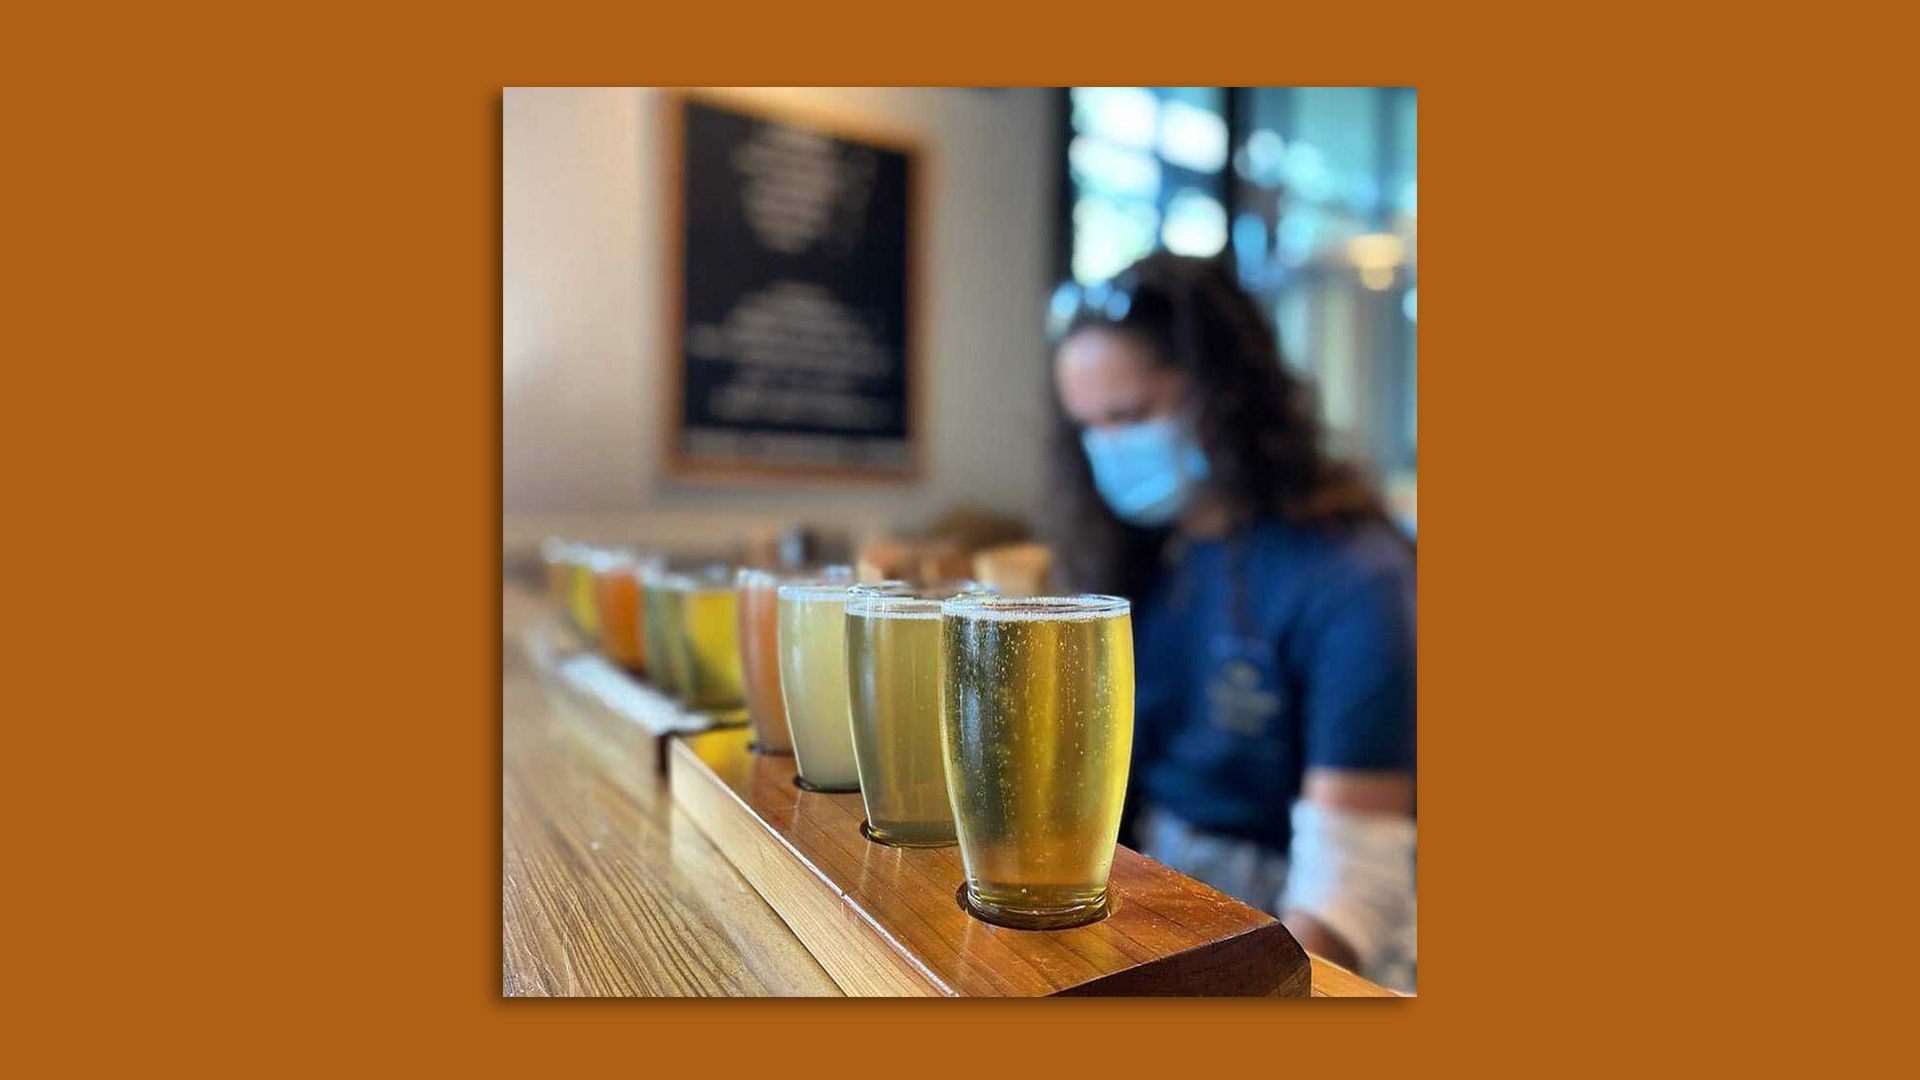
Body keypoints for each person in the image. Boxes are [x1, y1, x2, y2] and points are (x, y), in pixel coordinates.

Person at [1046, 252, 1417, 991]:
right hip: (1148, 898)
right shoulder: (1140, 559)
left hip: (1288, 930)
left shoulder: (1352, 577)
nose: (1110, 449)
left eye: (1131, 416)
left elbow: (1351, 889)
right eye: (1090, 428)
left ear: (1222, 396)